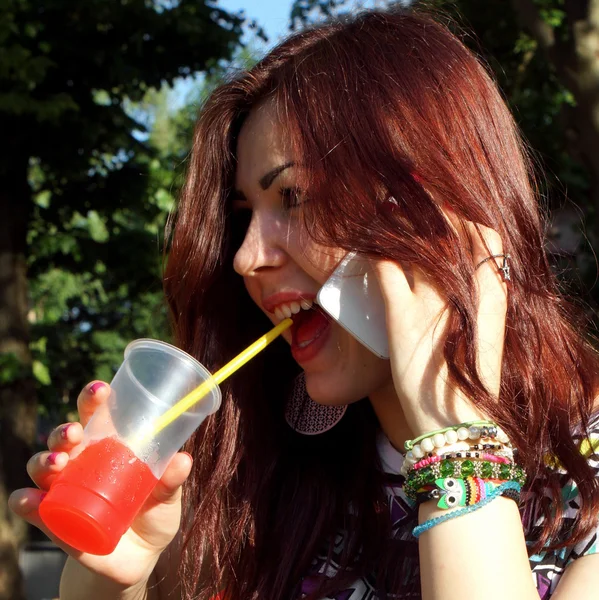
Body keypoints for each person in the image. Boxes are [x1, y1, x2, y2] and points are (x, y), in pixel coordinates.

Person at [9, 7, 599, 600]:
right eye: (244, 218)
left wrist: (454, 442)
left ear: (438, 208)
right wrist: (113, 583)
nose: (245, 259)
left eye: (293, 196)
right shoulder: (250, 480)